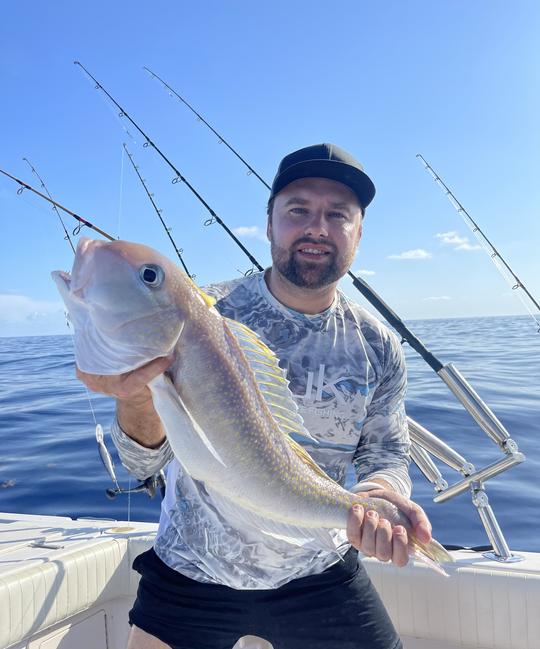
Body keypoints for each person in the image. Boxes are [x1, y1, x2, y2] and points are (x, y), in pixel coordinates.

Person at [78, 143, 432, 649]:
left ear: (358, 232)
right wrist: (135, 393)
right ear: (269, 224)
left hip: (320, 565)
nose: (317, 227)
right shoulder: (205, 315)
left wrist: (379, 497)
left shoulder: (377, 345)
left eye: (338, 214)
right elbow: (141, 463)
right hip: (192, 568)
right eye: (298, 210)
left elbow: (388, 453)